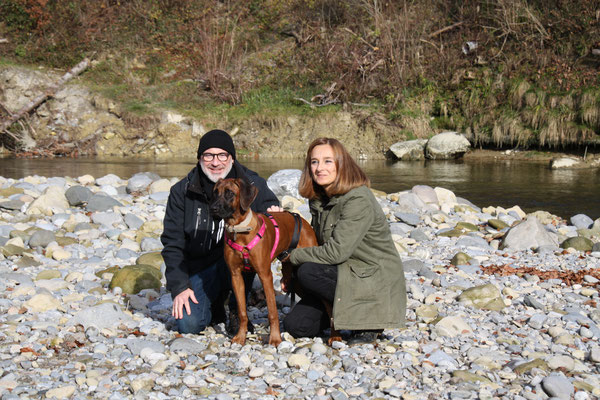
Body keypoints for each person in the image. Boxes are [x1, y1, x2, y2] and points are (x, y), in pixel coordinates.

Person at [282, 137, 406, 344]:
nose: (319, 168)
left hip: (370, 276)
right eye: (314, 162)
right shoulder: (320, 198)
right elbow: (315, 241)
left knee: (307, 270)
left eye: (327, 161)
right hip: (343, 271)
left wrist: (292, 256)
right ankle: (341, 313)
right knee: (298, 326)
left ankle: (370, 320)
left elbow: (335, 252)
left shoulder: (358, 198)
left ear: (342, 164)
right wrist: (281, 221)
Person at [160, 129, 282, 334]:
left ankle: (236, 308)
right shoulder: (182, 191)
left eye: (221, 155)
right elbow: (172, 244)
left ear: (231, 158)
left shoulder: (250, 184)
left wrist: (274, 210)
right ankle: (215, 303)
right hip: (202, 268)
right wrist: (179, 286)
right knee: (188, 324)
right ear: (200, 158)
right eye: (208, 155)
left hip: (242, 263)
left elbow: (269, 207)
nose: (215, 162)